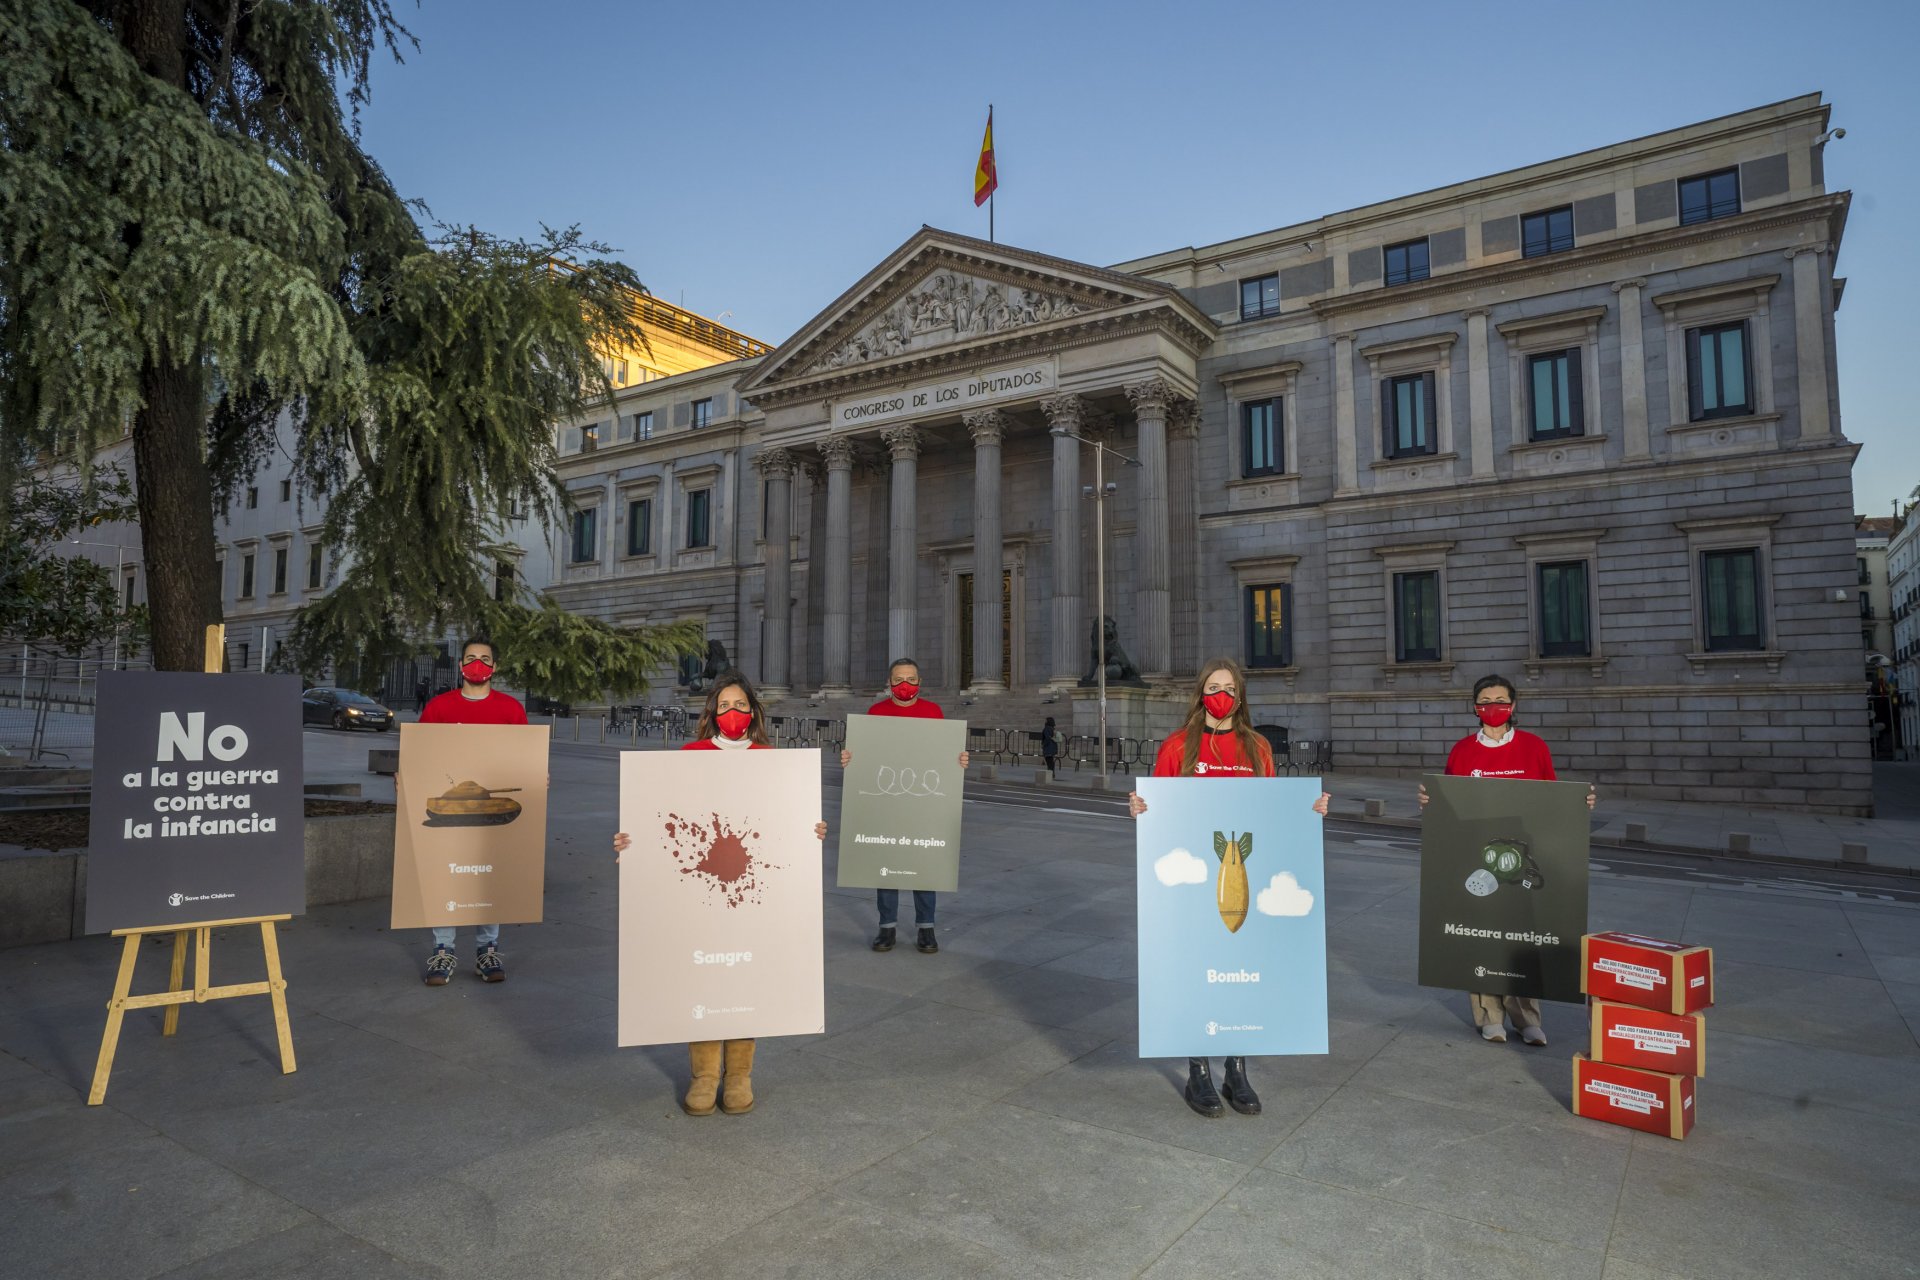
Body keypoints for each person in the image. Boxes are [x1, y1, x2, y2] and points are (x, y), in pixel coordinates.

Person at [612, 670, 827, 1116]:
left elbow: (784, 824)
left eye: (741, 706)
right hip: (702, 885)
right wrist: (632, 844)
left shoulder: (773, 761)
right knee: (704, 975)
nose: (733, 713)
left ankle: (740, 1074)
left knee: (747, 972)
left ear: (754, 712)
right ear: (712, 712)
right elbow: (664, 818)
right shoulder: (691, 755)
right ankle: (705, 1075)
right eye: (724, 706)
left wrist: (813, 831)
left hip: (753, 887)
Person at [1128, 658, 1330, 1119]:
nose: (1222, 695)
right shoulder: (1178, 747)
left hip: (1245, 879)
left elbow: (1272, 811)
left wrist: (1308, 811)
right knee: (1195, 969)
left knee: (1241, 967)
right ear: (1200, 695)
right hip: (1193, 884)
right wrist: (1142, 808)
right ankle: (1198, 1068)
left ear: (1240, 697)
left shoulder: (1257, 747)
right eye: (1213, 687)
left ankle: (1236, 1068)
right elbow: (1161, 811)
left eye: (1230, 688)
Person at [1417, 673, 1596, 1047]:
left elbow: (1551, 801)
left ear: (1513, 706)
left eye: (1500, 700)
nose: (1492, 707)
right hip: (1476, 858)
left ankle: (1526, 1017)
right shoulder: (1463, 751)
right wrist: (1429, 802)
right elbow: (1449, 804)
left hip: (1523, 858)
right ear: (1474, 706)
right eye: (1485, 700)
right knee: (1480, 934)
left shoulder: (1533, 747)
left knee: (1522, 935)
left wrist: (1582, 804)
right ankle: (1489, 1017)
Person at [838, 658, 968, 955]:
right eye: (898, 679)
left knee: (924, 865)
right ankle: (887, 927)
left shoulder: (933, 712)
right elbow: (866, 757)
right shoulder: (876, 712)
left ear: (920, 683)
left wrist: (957, 761)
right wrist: (850, 760)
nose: (904, 685)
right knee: (886, 865)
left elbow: (942, 756)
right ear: (889, 682)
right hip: (887, 802)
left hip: (922, 802)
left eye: (910, 679)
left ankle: (926, 928)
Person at [417, 637, 527, 987]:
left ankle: (487, 950)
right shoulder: (438, 708)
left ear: (495, 667)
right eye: (470, 658)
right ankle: (443, 949)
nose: (477, 664)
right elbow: (421, 756)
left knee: (488, 875)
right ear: (460, 665)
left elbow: (522, 759)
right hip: (451, 810)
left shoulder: (511, 710)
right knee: (445, 876)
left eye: (484, 659)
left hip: (487, 815)